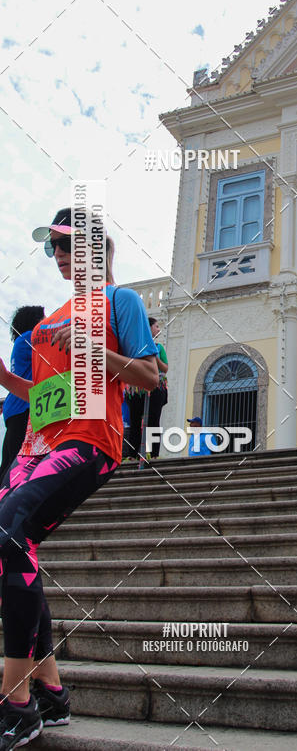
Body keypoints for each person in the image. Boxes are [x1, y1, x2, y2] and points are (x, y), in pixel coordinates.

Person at [0, 207, 159, 748]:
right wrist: (4, 377)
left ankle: (16, 702)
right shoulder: (49, 322)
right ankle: (50, 694)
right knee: (13, 545)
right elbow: (41, 393)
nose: (59, 256)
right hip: (36, 446)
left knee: (9, 534)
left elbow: (148, 375)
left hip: (89, 441)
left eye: (67, 245)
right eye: (53, 248)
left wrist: (97, 349)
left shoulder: (121, 301)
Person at [0, 307, 45, 484]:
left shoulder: (22, 340)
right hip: (24, 407)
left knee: (9, 462)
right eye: (44, 317)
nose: (48, 320)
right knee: (17, 463)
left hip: (15, 407)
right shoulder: (30, 337)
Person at [124, 317, 168, 466]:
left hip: (155, 387)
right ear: (148, 328)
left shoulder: (158, 347)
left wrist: (154, 356)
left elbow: (165, 368)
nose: (158, 329)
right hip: (136, 387)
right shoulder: (134, 345)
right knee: (135, 421)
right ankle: (132, 455)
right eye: (156, 326)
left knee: (154, 420)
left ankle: (153, 454)